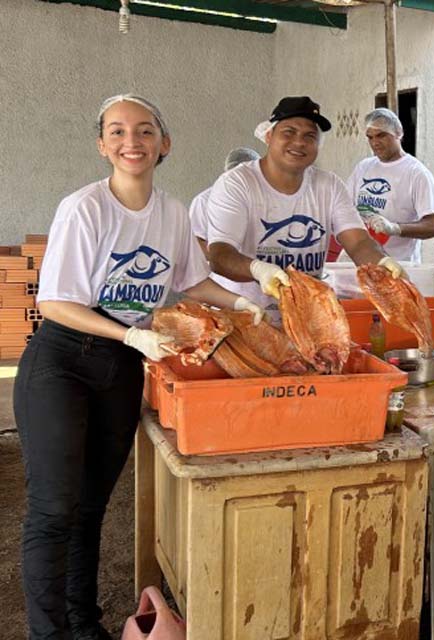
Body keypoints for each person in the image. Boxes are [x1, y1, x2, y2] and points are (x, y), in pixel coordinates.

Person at [14, 94, 264, 640]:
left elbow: (189, 281)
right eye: (119, 131)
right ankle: (47, 633)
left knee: (91, 507)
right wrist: (130, 331)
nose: (133, 141)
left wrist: (246, 301)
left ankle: (84, 623)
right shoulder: (85, 208)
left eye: (146, 131)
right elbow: (55, 303)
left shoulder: (172, 213)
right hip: (62, 362)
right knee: (55, 507)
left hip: (122, 367)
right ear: (103, 145)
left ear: (164, 144)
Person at [206, 96, 405, 323]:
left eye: (309, 136)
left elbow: (358, 242)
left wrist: (381, 262)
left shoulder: (329, 186)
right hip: (245, 318)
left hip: (305, 319)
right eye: (289, 132)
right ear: (269, 136)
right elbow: (220, 255)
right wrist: (258, 269)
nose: (299, 142)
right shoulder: (237, 183)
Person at [345, 107, 434, 263]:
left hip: (398, 267)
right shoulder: (363, 167)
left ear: (398, 133)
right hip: (361, 262)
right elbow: (345, 207)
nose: (375, 143)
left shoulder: (416, 173)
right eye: (370, 137)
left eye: (381, 135)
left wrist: (395, 228)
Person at [189, 146, 260, 257]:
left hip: (262, 270)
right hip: (221, 271)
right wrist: (227, 259)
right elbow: (196, 243)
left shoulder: (264, 199)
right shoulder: (204, 200)